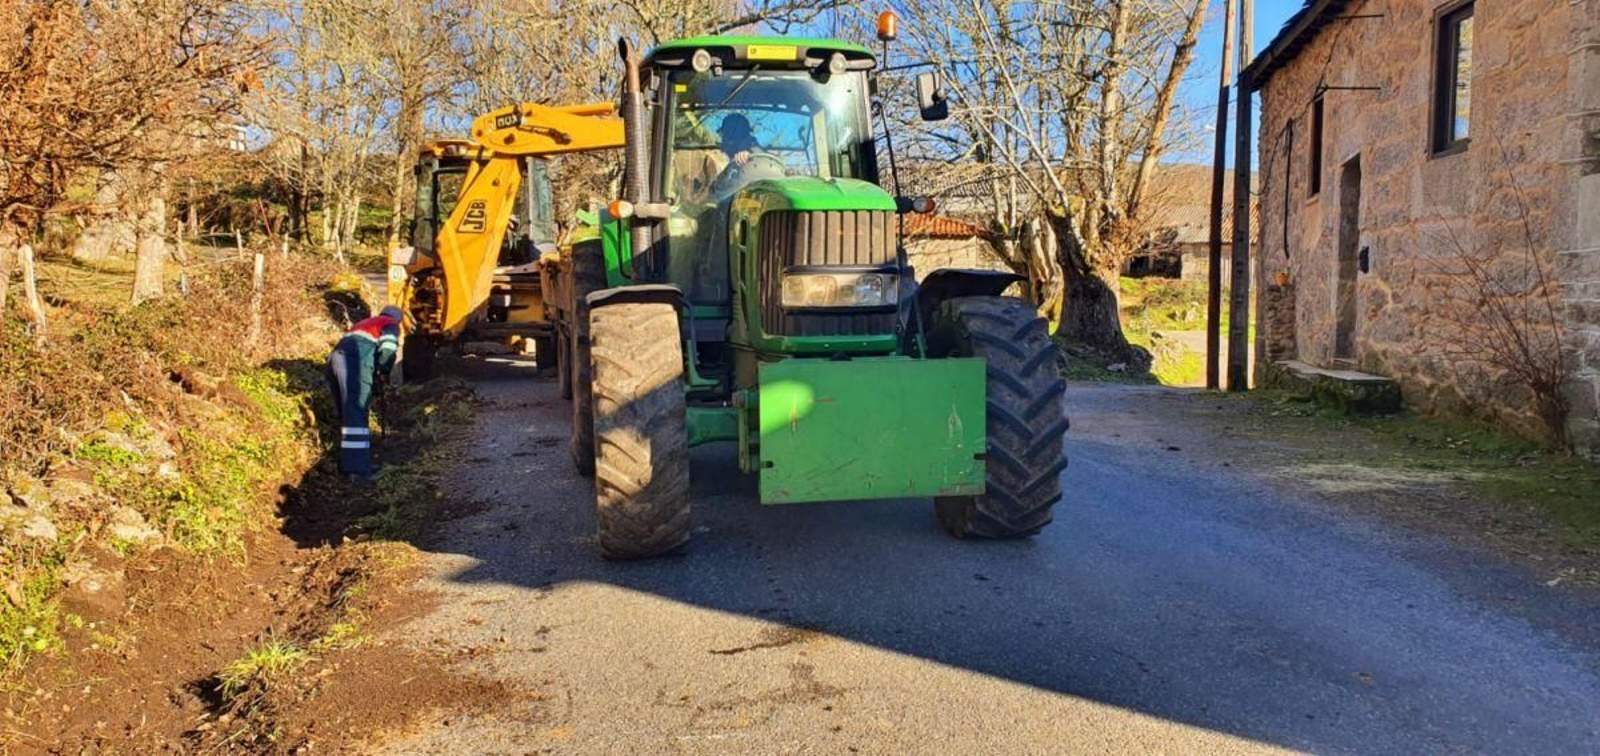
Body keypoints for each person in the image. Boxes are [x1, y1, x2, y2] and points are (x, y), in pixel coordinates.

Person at [326, 305, 404, 478]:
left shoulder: (366, 322)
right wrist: (384, 370)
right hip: (352, 364)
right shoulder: (390, 324)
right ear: (398, 319)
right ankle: (357, 470)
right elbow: (388, 349)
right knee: (356, 413)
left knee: (347, 414)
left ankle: (347, 462)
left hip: (334, 361)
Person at [709, 113, 785, 200]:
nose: (723, 143)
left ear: (733, 138)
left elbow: (717, 193)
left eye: (725, 137)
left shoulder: (755, 160)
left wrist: (747, 158)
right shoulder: (728, 161)